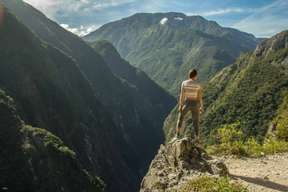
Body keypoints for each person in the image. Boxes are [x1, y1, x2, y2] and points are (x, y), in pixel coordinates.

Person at [171, 69, 203, 143]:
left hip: (187, 102)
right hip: (195, 103)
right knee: (196, 121)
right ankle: (197, 137)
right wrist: (201, 106)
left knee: (180, 118)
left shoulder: (184, 83)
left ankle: (177, 135)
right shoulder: (198, 84)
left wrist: (180, 105)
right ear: (195, 75)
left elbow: (182, 96)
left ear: (189, 75)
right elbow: (200, 97)